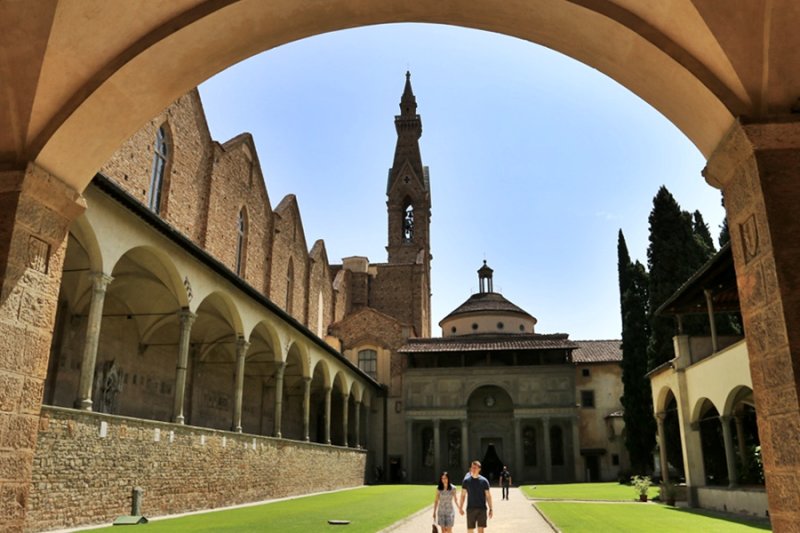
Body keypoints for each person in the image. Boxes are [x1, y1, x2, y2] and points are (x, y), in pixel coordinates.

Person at [458, 460, 493, 532]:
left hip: (482, 509)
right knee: (470, 530)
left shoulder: (484, 481)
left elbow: (488, 496)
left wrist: (491, 508)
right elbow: (463, 495)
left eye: (475, 468)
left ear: (479, 469)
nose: (473, 469)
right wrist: (460, 507)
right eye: (472, 467)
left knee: (481, 530)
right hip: (470, 509)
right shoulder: (466, 481)